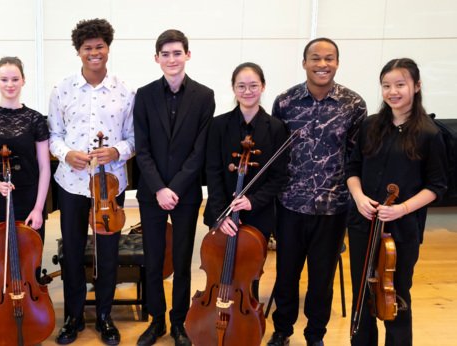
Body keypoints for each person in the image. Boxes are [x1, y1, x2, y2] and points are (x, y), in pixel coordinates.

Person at [266, 38, 368, 346]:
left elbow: (356, 158)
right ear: (304, 62)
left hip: (333, 208)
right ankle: (282, 330)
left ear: (337, 62)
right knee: (286, 275)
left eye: (329, 58)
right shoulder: (285, 102)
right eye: (315, 58)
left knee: (322, 280)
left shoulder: (354, 104)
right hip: (290, 205)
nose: (322, 64)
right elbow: (278, 153)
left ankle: (315, 335)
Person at [346, 58, 447, 346]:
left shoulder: (430, 133)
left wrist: (401, 208)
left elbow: (437, 187)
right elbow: (352, 170)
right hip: (363, 225)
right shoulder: (369, 127)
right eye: (386, 85)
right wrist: (359, 197)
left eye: (400, 85)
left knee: (397, 295)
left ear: (416, 86)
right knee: (362, 294)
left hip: (402, 230)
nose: (393, 91)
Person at [48, 18, 135, 345]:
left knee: (108, 251)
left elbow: (134, 139)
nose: (94, 52)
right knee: (71, 251)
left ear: (107, 48)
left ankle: (104, 315)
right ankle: (72, 316)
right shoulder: (62, 89)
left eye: (100, 47)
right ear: (78, 51)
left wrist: (116, 150)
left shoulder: (126, 90)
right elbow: (54, 135)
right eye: (88, 48)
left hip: (109, 186)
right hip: (71, 182)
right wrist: (66, 153)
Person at [133, 29, 214, 346]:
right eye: (165, 54)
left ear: (187, 55)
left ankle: (179, 322)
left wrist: (175, 188)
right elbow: (143, 147)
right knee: (154, 260)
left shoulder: (204, 96)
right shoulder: (144, 94)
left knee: (181, 262)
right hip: (152, 193)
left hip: (186, 193)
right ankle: (157, 321)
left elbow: (199, 150)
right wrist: (159, 188)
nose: (171, 59)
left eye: (177, 53)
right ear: (157, 58)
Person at [203, 62, 288, 298]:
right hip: (223, 212)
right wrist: (222, 215)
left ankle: (246, 318)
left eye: (253, 85)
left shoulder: (276, 128)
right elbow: (213, 172)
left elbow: (278, 176)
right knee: (219, 269)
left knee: (250, 272)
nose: (247, 91)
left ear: (263, 87)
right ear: (233, 88)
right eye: (241, 86)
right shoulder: (218, 125)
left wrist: (253, 200)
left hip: (258, 214)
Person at [0, 56, 50, 292]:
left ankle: (28, 307)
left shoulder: (35, 119)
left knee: (28, 258)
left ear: (23, 80)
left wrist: (39, 209)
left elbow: (45, 167)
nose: (10, 84)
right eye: (4, 79)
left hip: (28, 197)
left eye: (15, 79)